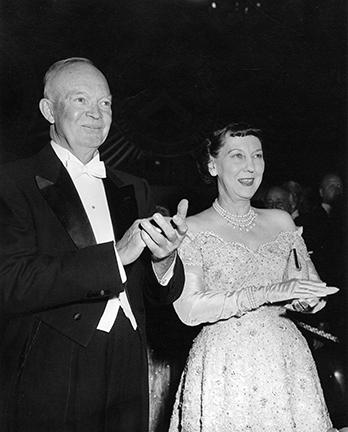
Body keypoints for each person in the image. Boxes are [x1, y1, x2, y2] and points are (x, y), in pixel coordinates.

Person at [0, 57, 188, 432]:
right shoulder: (12, 181)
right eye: (80, 100)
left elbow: (155, 294)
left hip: (129, 361)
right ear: (48, 109)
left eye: (105, 103)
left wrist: (164, 261)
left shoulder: (134, 186)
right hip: (51, 365)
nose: (96, 113)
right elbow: (10, 282)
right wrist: (115, 256)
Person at [169, 123, 339, 432]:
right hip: (224, 364)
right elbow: (189, 309)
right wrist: (266, 292)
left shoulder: (282, 222)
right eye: (237, 155)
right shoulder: (191, 229)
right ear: (212, 164)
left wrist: (307, 302)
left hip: (285, 360)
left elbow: (307, 290)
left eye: (257, 155)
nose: (251, 166)